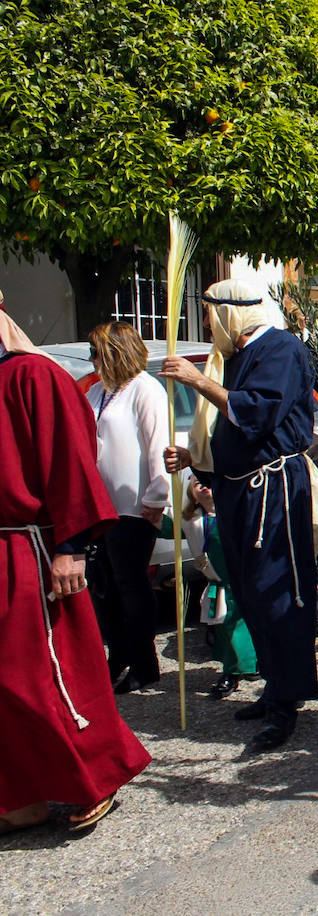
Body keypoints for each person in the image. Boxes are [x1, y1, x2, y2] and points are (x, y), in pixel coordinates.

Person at [0, 310, 151, 834]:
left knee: (43, 676)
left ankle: (96, 774)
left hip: (31, 549)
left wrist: (70, 546)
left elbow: (69, 458)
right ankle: (22, 795)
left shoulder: (32, 375)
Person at [161, 279, 318, 753]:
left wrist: (197, 382)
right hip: (235, 492)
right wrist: (193, 460)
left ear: (232, 313)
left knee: (277, 592)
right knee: (248, 593)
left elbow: (257, 413)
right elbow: (231, 437)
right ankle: (274, 687)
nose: (210, 326)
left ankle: (287, 702)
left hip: (272, 490)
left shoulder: (281, 349)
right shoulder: (230, 358)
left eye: (212, 315)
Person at [85, 321, 171, 694]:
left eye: (95, 352)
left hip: (134, 508)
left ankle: (144, 663)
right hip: (102, 507)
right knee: (105, 588)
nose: (91, 360)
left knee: (131, 586)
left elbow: (157, 444)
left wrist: (156, 497)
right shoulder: (99, 392)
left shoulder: (144, 390)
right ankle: (117, 655)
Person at [170, 479, 259, 700]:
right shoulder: (192, 521)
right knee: (224, 627)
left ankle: (241, 668)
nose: (204, 487)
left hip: (240, 581)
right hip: (218, 585)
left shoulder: (234, 515)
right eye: (198, 484)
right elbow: (166, 527)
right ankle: (236, 669)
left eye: (209, 482)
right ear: (192, 494)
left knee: (240, 626)